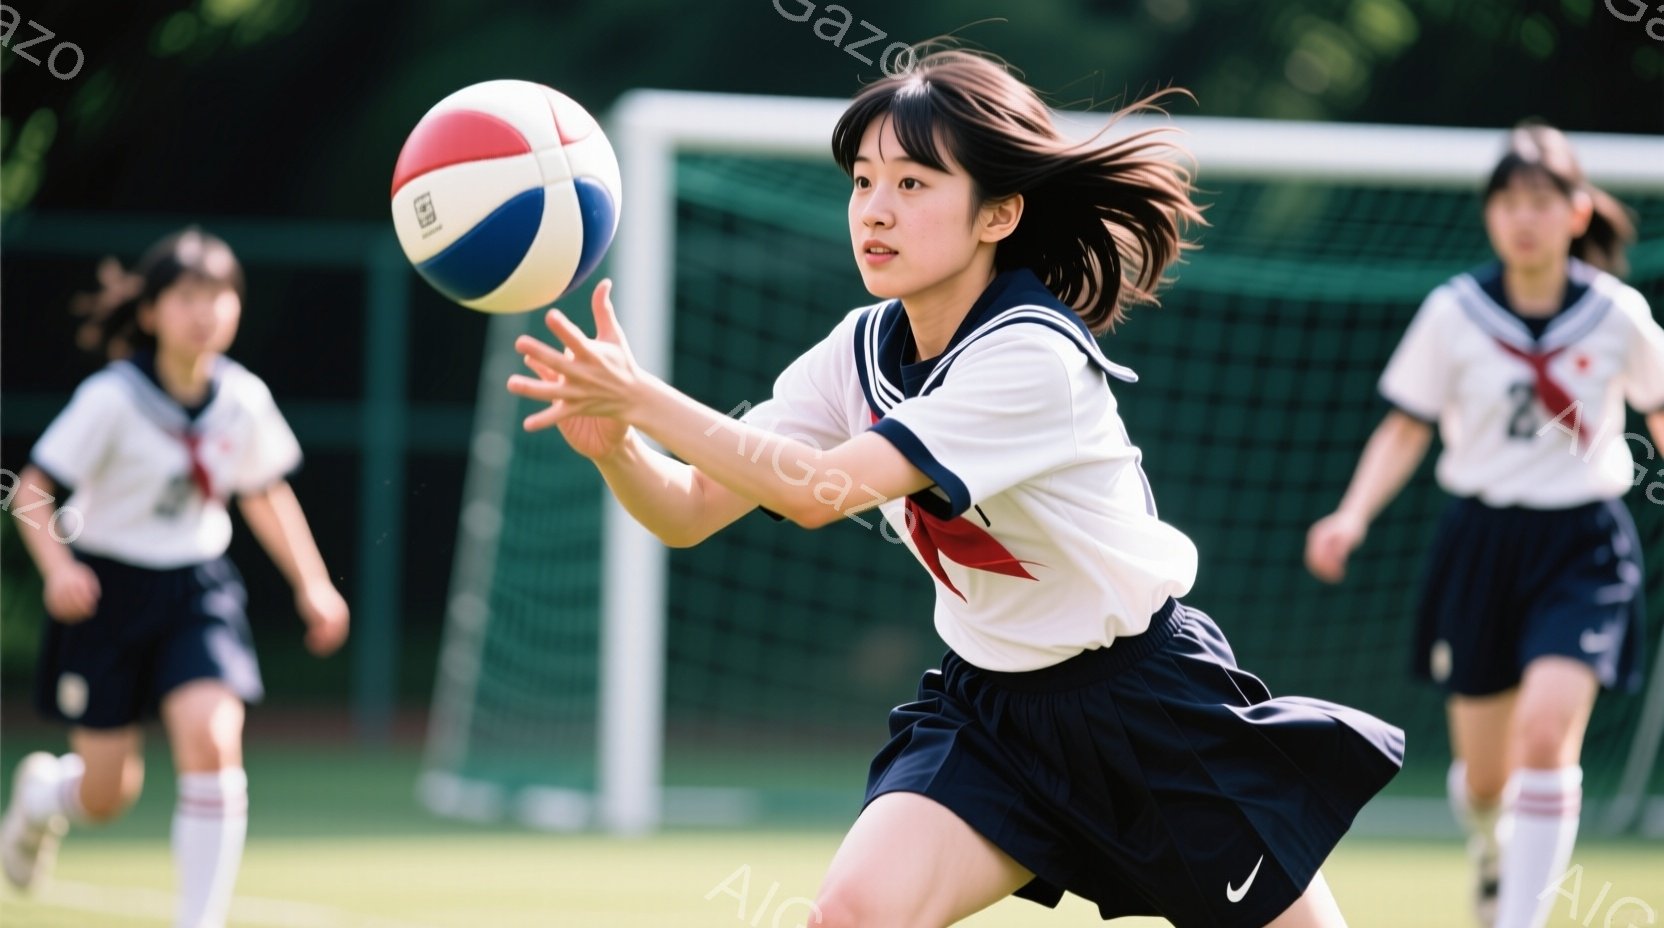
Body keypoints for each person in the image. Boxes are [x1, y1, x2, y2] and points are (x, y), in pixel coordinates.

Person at [508, 49, 1403, 928]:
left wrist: (642, 396)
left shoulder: (1032, 356)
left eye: (913, 184)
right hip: (993, 717)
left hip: (1151, 710)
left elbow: (820, 490)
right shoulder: (856, 350)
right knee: (850, 916)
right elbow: (690, 512)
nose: (875, 211)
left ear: (999, 213)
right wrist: (617, 448)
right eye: (863, 182)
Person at [1306, 122, 1661, 928]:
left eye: (1542, 200)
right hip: (1481, 545)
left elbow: (1660, 407)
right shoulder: (1454, 312)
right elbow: (1405, 427)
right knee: (1488, 777)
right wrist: (1351, 515)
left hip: (1584, 547)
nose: (1523, 217)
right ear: (1489, 215)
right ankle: (1491, 850)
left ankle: (1519, 920)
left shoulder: (1615, 313)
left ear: (1577, 213)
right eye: (1507, 201)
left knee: (1546, 733)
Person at [0, 228, 350, 928]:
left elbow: (266, 493)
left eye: (221, 296)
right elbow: (30, 489)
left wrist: (314, 583)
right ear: (153, 311)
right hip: (106, 592)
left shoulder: (243, 399)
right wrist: (61, 569)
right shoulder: (112, 398)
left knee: (215, 739)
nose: (207, 311)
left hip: (197, 589)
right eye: (188, 296)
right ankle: (43, 796)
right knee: (106, 796)